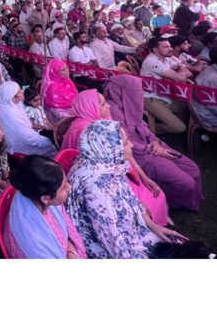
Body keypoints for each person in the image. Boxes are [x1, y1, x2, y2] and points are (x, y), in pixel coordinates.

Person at [65, 120, 185, 258]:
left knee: (179, 247)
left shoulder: (104, 162)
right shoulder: (97, 191)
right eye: (126, 143)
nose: (132, 145)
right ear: (111, 147)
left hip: (127, 232)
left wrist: (152, 226)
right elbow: (113, 244)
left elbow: (129, 197)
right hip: (113, 249)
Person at [62, 89, 169, 226]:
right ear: (90, 107)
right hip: (106, 176)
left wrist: (143, 176)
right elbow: (103, 168)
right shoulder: (84, 131)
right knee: (148, 199)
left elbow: (123, 153)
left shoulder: (103, 121)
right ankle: (150, 225)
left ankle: (156, 222)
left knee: (154, 192)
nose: (109, 106)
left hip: (116, 170)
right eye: (102, 104)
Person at [104, 75, 203, 211]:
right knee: (186, 182)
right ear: (122, 90)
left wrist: (155, 141)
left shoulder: (131, 100)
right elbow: (124, 140)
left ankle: (192, 196)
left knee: (192, 168)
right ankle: (182, 202)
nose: (141, 92)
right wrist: (152, 149)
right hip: (138, 155)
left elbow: (142, 125)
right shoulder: (111, 109)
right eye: (137, 89)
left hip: (152, 146)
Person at [4, 155, 87, 259]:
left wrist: (70, 250)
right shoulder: (34, 244)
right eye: (63, 187)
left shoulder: (31, 191)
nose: (69, 187)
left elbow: (65, 223)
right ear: (45, 198)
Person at [139, 37, 192, 135]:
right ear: (155, 49)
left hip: (164, 95)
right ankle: (147, 130)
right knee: (180, 128)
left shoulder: (165, 59)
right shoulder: (152, 61)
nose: (171, 49)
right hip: (150, 98)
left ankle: (164, 120)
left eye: (170, 46)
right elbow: (180, 78)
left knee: (187, 108)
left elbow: (188, 73)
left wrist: (180, 70)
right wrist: (180, 70)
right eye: (166, 47)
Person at [0, 81, 58, 158]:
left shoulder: (11, 104)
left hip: (30, 133)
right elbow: (26, 137)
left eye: (21, 89)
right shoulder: (9, 115)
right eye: (19, 92)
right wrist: (45, 141)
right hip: (22, 144)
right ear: (12, 97)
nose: (22, 92)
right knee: (50, 143)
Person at [41, 59, 78, 124]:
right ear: (55, 72)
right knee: (74, 120)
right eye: (63, 70)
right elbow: (55, 109)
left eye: (67, 68)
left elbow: (75, 96)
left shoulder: (67, 80)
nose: (67, 71)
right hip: (57, 111)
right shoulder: (51, 87)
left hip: (71, 106)